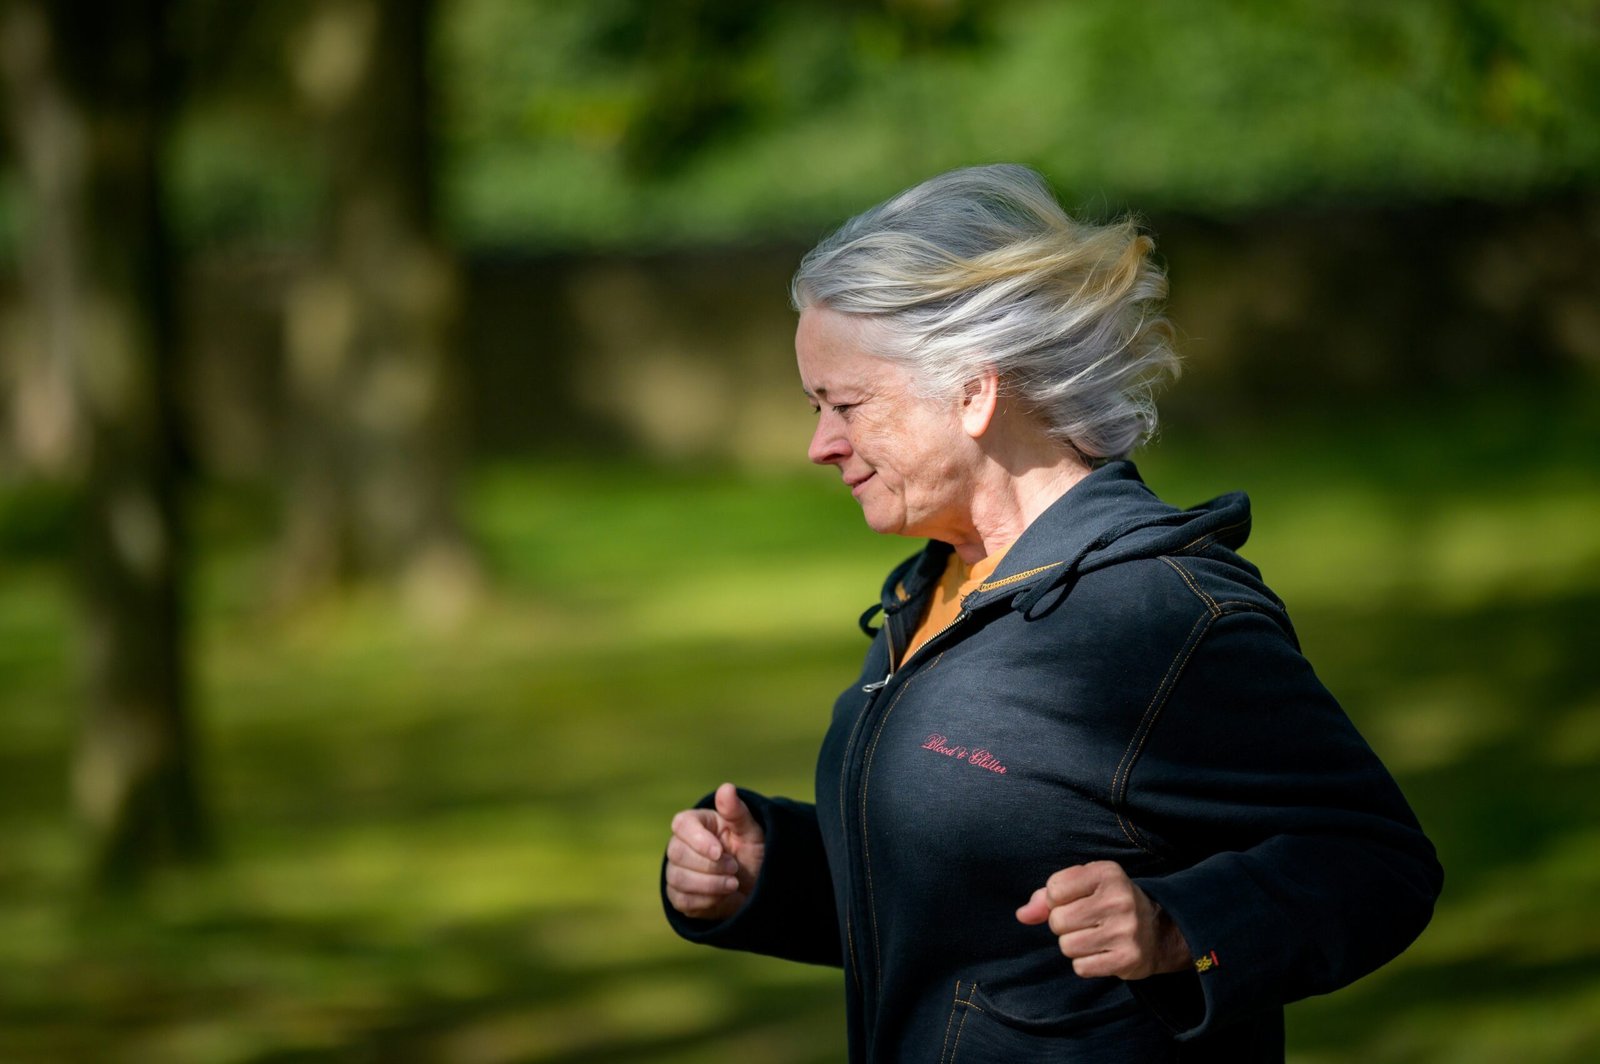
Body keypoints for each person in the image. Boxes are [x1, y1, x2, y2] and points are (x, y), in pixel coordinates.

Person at [660, 164, 1442, 1061]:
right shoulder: (940, 585)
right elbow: (967, 896)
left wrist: (1180, 928)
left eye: (846, 406)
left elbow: (1379, 863)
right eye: (815, 407)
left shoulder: (1160, 616)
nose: (819, 445)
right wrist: (771, 875)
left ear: (974, 394)